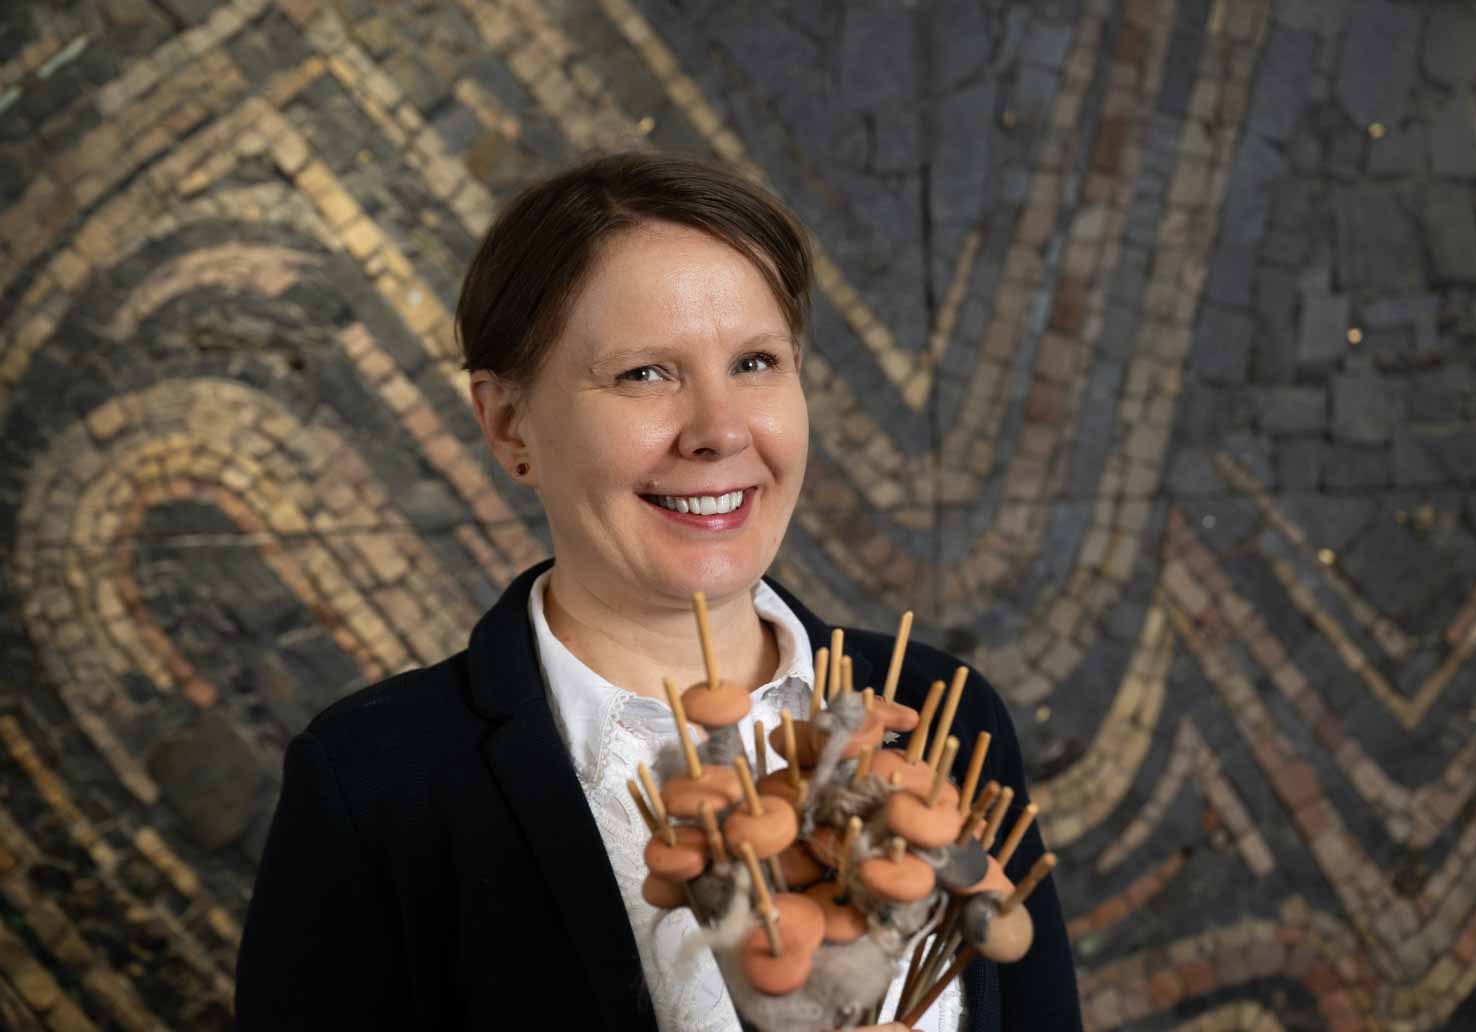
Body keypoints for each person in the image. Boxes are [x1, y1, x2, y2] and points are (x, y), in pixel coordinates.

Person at [235, 152, 1082, 1031]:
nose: (718, 431)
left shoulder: (943, 713)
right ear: (508, 423)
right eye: (645, 373)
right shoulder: (374, 780)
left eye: (756, 362)